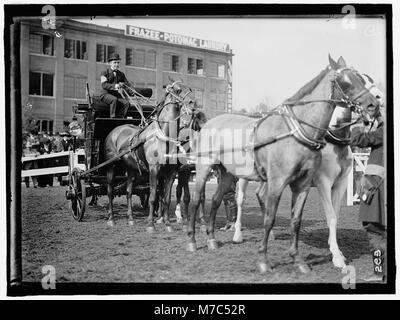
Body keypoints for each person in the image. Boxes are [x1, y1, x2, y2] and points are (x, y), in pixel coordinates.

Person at [350, 111, 385, 282]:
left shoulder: (383, 132)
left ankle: (379, 272)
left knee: (374, 232)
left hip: (377, 191)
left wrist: (358, 126)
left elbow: (358, 140)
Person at [99, 53, 132, 118]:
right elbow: (104, 85)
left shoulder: (121, 74)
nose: (116, 64)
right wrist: (116, 86)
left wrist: (124, 85)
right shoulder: (104, 72)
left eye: (118, 63)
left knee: (126, 103)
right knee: (114, 100)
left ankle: (120, 118)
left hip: (115, 95)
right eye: (114, 62)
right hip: (105, 94)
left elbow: (127, 84)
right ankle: (113, 118)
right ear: (110, 63)